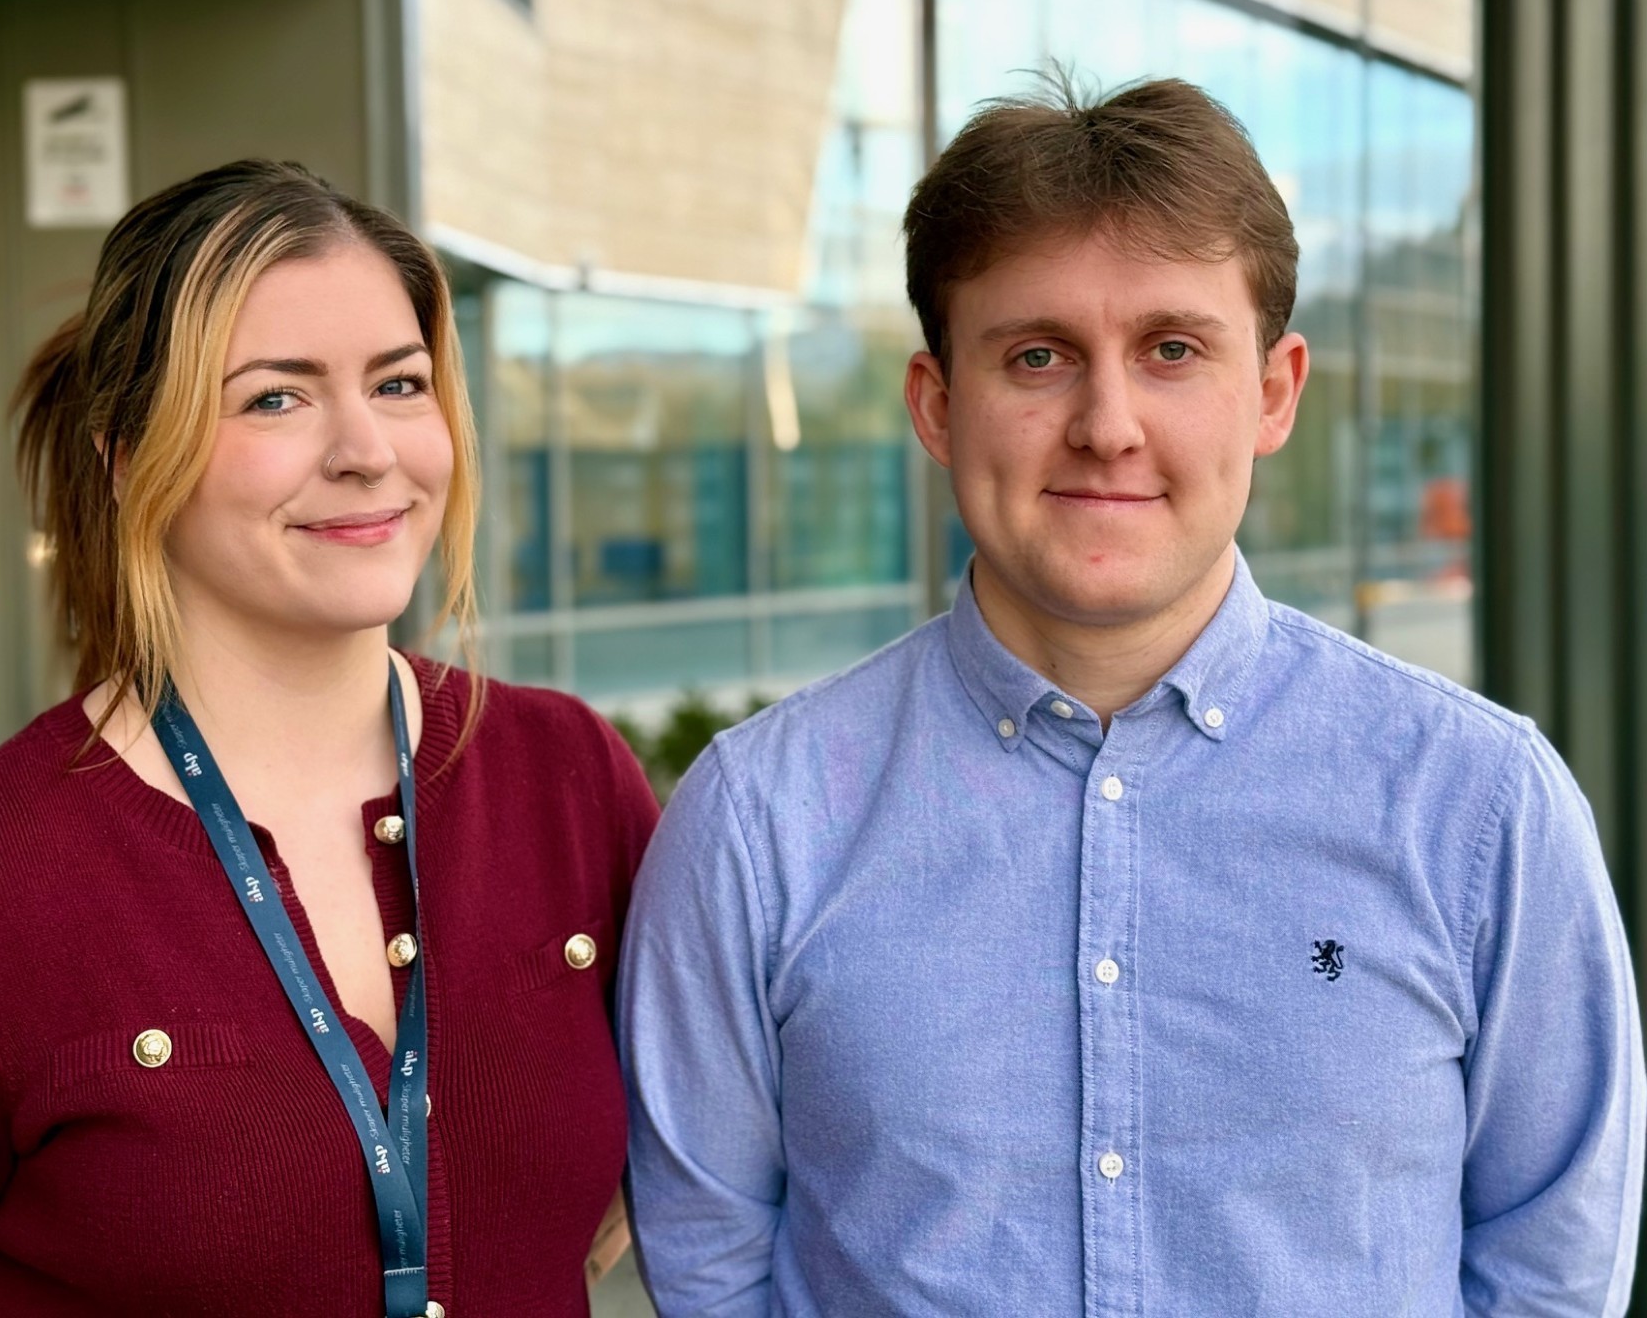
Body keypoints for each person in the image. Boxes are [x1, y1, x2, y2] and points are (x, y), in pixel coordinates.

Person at [618, 79, 1645, 1315]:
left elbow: (1550, 1268)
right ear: (938, 406)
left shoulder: (1482, 807)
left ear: (1274, 392)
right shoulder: (756, 823)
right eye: (1038, 356)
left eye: (1172, 350)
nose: (1108, 426)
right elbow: (707, 1267)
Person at [0, 160, 656, 1317]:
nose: (367, 448)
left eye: (400, 383)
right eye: (277, 397)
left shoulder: (568, 779)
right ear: (130, 460)